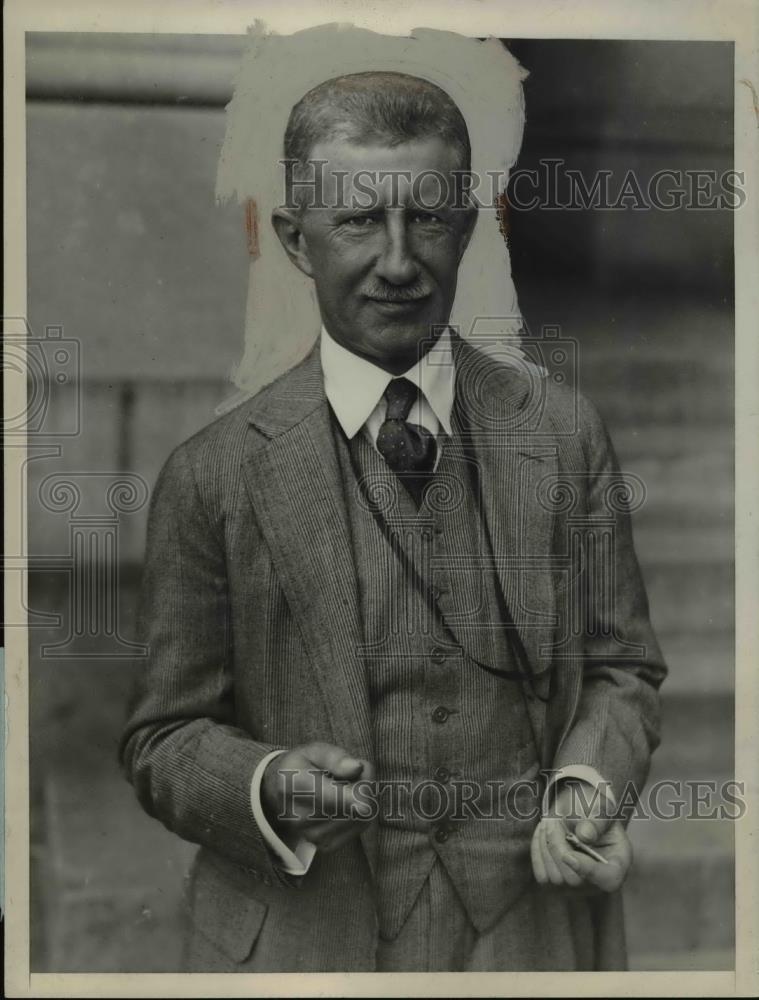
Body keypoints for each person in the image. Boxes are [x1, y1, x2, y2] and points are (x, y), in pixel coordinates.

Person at [120, 70, 666, 972]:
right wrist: (265, 784)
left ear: (473, 227)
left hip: (528, 935)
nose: (400, 261)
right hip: (304, 943)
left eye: (430, 219)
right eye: (358, 221)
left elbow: (622, 666)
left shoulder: (562, 437)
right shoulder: (211, 475)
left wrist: (585, 785)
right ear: (297, 240)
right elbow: (162, 738)